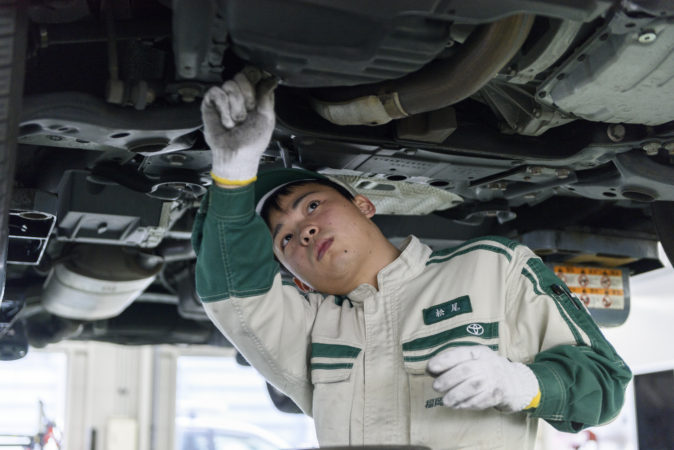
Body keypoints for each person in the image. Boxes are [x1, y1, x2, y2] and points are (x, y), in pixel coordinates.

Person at [191, 71, 632, 449]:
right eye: (285, 238)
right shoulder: (306, 330)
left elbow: (606, 383)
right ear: (297, 281)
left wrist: (525, 384)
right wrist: (233, 170)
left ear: (364, 205)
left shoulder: (493, 267)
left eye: (312, 206)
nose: (304, 230)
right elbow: (234, 290)